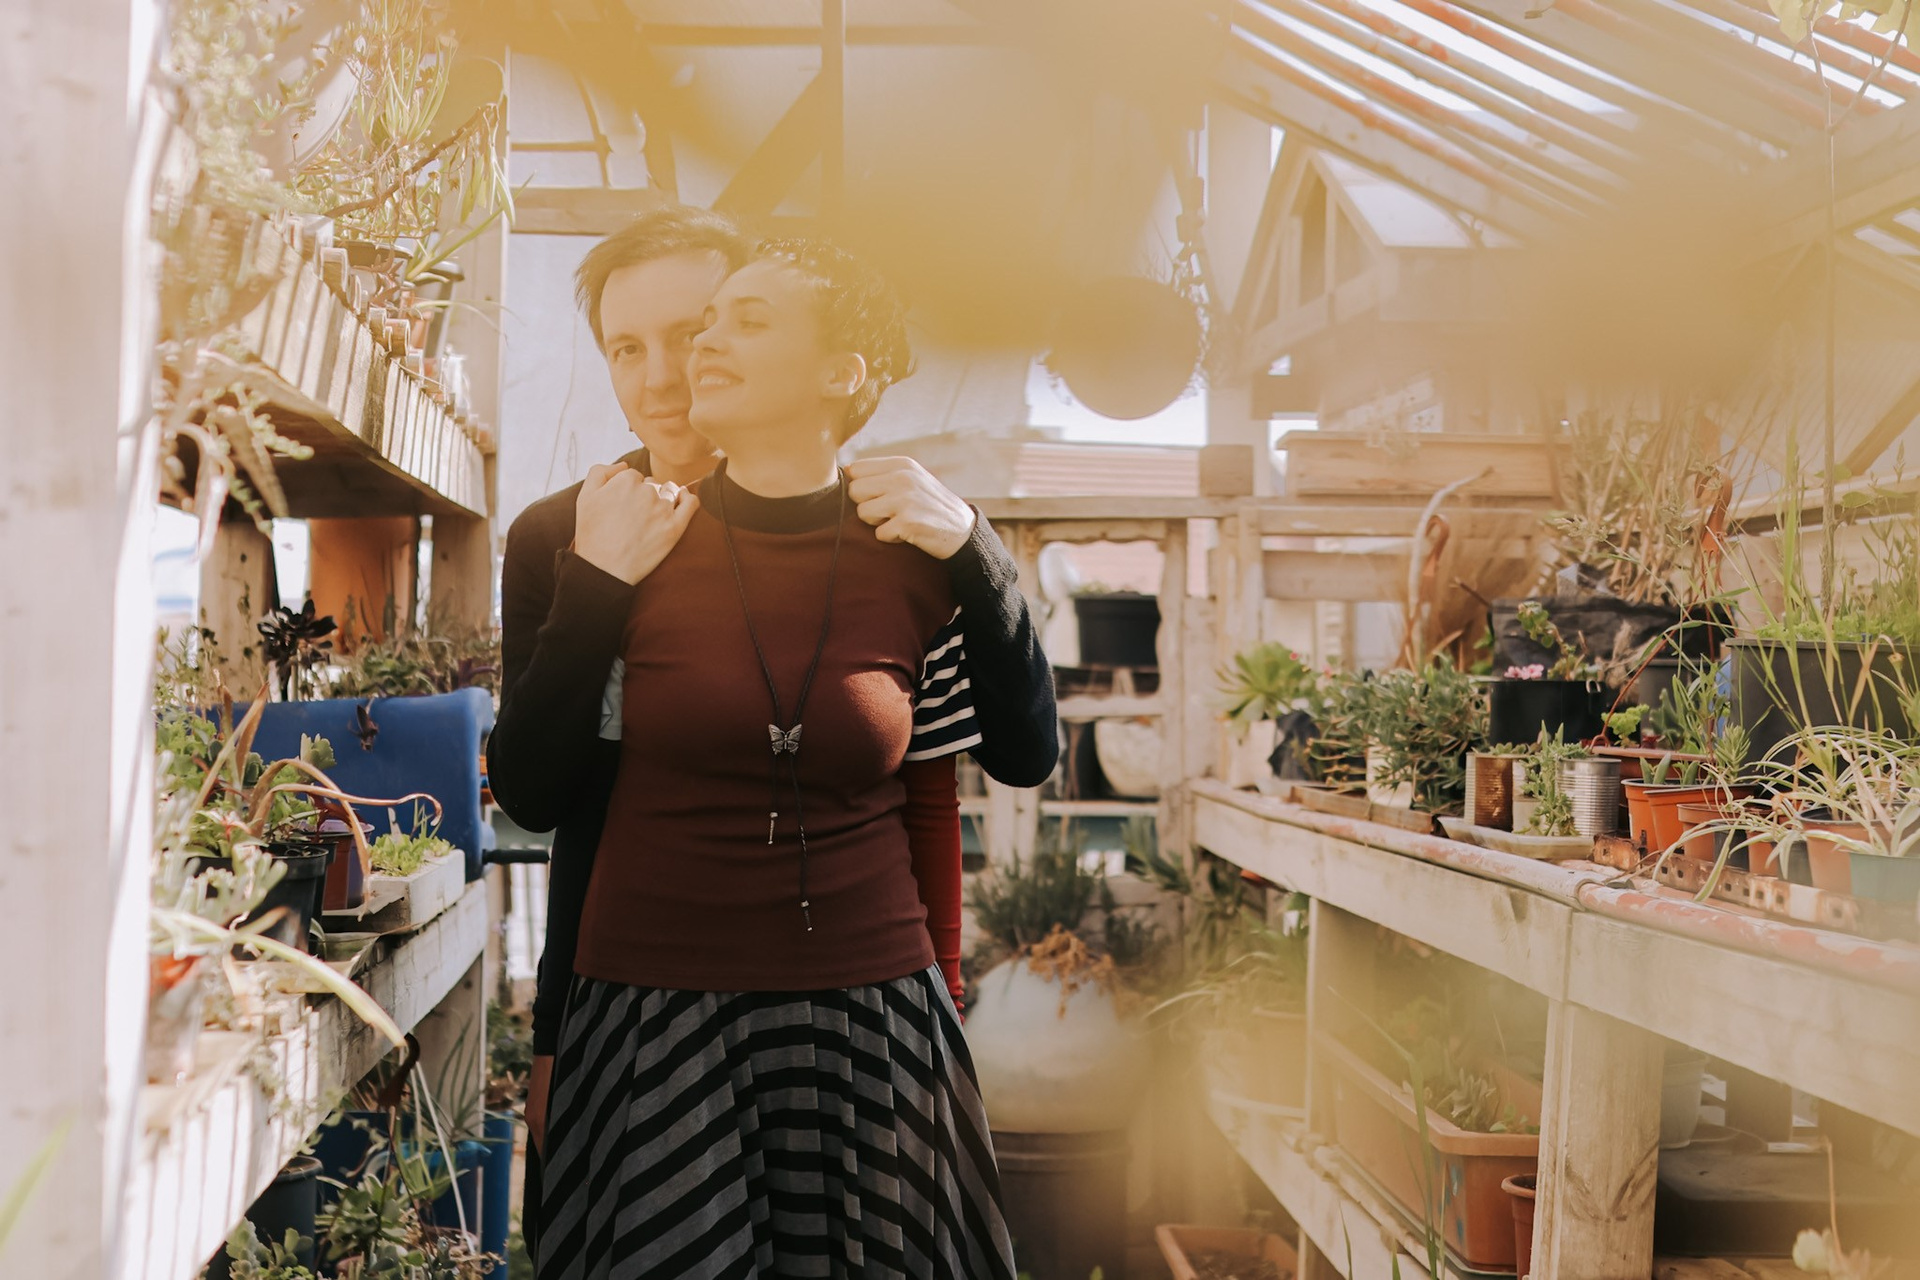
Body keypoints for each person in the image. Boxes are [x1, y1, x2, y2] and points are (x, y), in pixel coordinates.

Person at [486, 207, 1052, 1269]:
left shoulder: (898, 535)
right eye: (626, 347)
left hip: (863, 1001)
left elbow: (931, 794)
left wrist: (935, 1001)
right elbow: (563, 805)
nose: (670, 370)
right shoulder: (570, 533)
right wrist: (558, 1033)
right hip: (647, 999)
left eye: (700, 325)